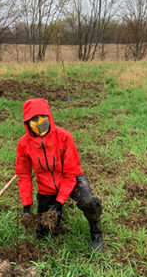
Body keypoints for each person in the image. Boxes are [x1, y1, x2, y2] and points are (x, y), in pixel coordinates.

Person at [15, 98, 104, 251]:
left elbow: (70, 174)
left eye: (42, 117)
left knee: (89, 203)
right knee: (44, 233)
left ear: (49, 116)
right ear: (27, 123)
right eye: (33, 119)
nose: (39, 122)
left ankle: (96, 233)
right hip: (46, 186)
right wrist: (26, 207)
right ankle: (56, 217)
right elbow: (24, 176)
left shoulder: (64, 137)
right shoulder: (24, 144)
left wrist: (59, 201)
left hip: (71, 179)